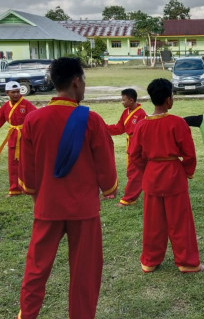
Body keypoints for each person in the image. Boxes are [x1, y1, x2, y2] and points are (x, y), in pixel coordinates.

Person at [17, 57, 118, 319]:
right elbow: (106, 167)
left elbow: (27, 175)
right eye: (83, 81)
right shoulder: (92, 120)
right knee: (85, 272)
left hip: (47, 207)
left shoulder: (33, 120)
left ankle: (26, 315)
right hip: (83, 210)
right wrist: (109, 188)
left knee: (36, 270)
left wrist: (37, 197)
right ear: (76, 81)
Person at [130, 78, 204, 273]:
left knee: (152, 224)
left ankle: (150, 261)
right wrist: (186, 171)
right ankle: (187, 262)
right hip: (174, 176)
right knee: (180, 222)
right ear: (168, 100)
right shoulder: (177, 123)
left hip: (152, 178)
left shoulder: (141, 125)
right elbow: (189, 154)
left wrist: (147, 171)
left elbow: (135, 155)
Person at [107, 88, 146, 206]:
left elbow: (143, 134)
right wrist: (103, 128)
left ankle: (128, 199)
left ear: (131, 100)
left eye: (124, 100)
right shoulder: (126, 112)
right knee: (131, 171)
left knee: (135, 173)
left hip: (138, 146)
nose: (122, 102)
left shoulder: (141, 114)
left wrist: (137, 148)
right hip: (130, 144)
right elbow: (119, 128)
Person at [0, 81, 36, 197]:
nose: (16, 94)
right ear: (7, 93)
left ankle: (29, 187)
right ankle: (14, 189)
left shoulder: (26, 104)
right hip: (13, 138)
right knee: (13, 164)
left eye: (18, 92)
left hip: (25, 137)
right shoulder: (5, 107)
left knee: (27, 163)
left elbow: (35, 118)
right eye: (13, 92)